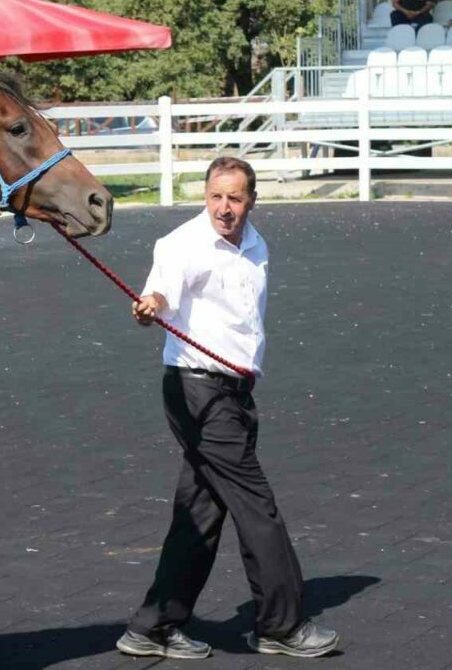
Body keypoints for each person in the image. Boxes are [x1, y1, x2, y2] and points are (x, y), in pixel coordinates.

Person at [115, 156, 339, 661]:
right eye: (216, 197)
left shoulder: (256, 244)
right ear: (205, 197)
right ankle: (281, 624)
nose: (225, 208)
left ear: (252, 200)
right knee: (256, 505)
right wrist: (149, 305)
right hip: (197, 392)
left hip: (235, 392)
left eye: (235, 198)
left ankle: (152, 625)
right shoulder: (181, 245)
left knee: (201, 511)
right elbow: (160, 294)